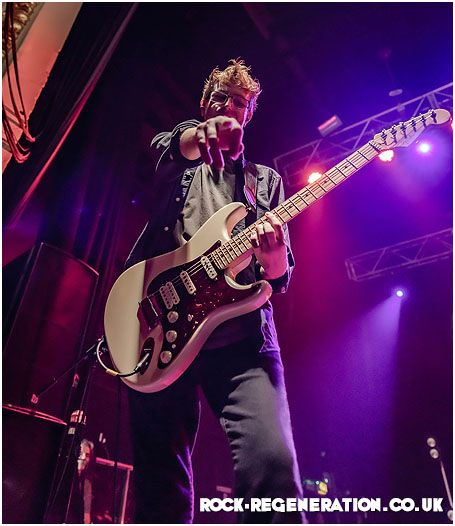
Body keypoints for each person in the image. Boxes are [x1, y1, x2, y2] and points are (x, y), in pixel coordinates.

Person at [126, 59, 305, 523]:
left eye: (240, 103)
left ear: (249, 116)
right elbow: (166, 147)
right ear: (205, 105)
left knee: (273, 466)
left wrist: (274, 257)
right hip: (162, 331)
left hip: (240, 340)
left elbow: (278, 277)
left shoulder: (265, 181)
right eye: (222, 98)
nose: (230, 107)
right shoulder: (177, 159)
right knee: (159, 482)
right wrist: (195, 136)